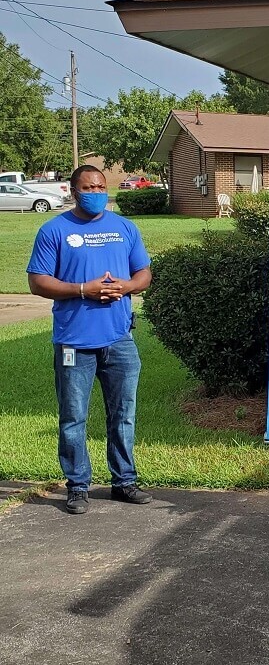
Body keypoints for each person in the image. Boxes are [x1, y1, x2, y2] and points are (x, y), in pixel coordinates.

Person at [26, 165, 153, 515]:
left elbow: (144, 272)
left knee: (123, 415)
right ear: (72, 190)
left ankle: (124, 481)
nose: (95, 192)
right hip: (73, 342)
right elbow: (37, 282)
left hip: (120, 339)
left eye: (100, 186)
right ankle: (78, 486)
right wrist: (83, 289)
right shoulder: (54, 230)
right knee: (73, 417)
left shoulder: (124, 227)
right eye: (88, 187)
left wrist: (127, 286)